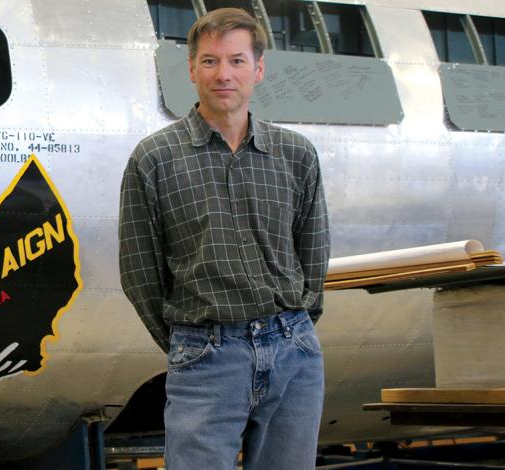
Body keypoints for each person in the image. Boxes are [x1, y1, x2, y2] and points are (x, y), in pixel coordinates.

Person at [118, 8, 329, 469]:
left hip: (293, 352)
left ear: (258, 69)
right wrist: (190, 343)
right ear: (191, 70)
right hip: (206, 356)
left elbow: (313, 255)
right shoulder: (154, 160)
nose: (223, 74)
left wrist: (297, 326)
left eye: (236, 61)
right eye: (210, 62)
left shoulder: (295, 155)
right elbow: (139, 273)